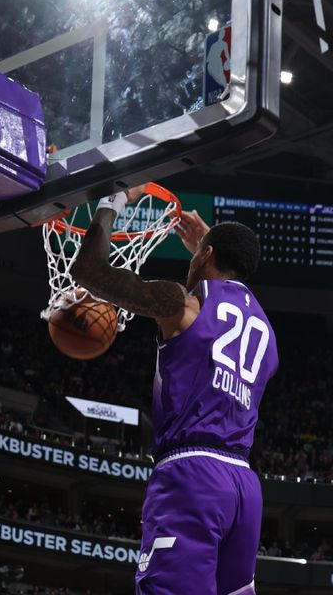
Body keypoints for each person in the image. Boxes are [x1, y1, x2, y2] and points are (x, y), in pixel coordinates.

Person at [71, 187, 279, 595]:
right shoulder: (267, 334)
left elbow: (88, 272)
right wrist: (208, 247)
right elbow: (228, 312)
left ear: (205, 255)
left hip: (191, 476)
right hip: (243, 488)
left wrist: (112, 203)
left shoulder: (182, 303)